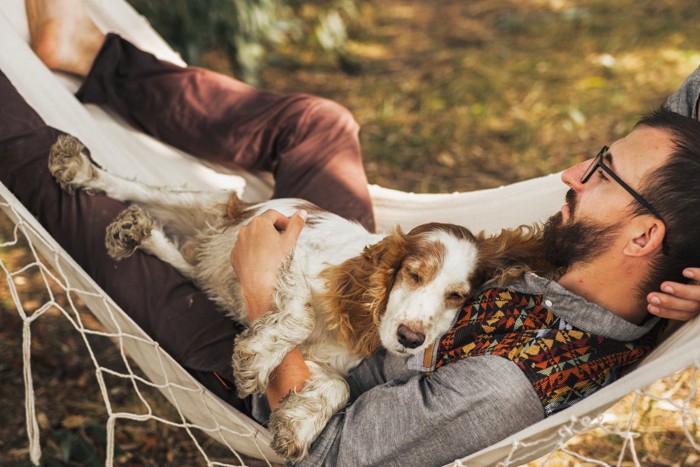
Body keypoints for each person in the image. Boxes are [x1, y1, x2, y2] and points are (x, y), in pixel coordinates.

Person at [1, 0, 698, 464]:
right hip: (356, 277)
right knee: (320, 126)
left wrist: (260, 287)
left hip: (252, 354)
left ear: (643, 237)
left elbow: (332, 451)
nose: (574, 173)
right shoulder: (617, 252)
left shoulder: (504, 385)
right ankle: (88, 54)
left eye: (603, 172)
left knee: (52, 173)